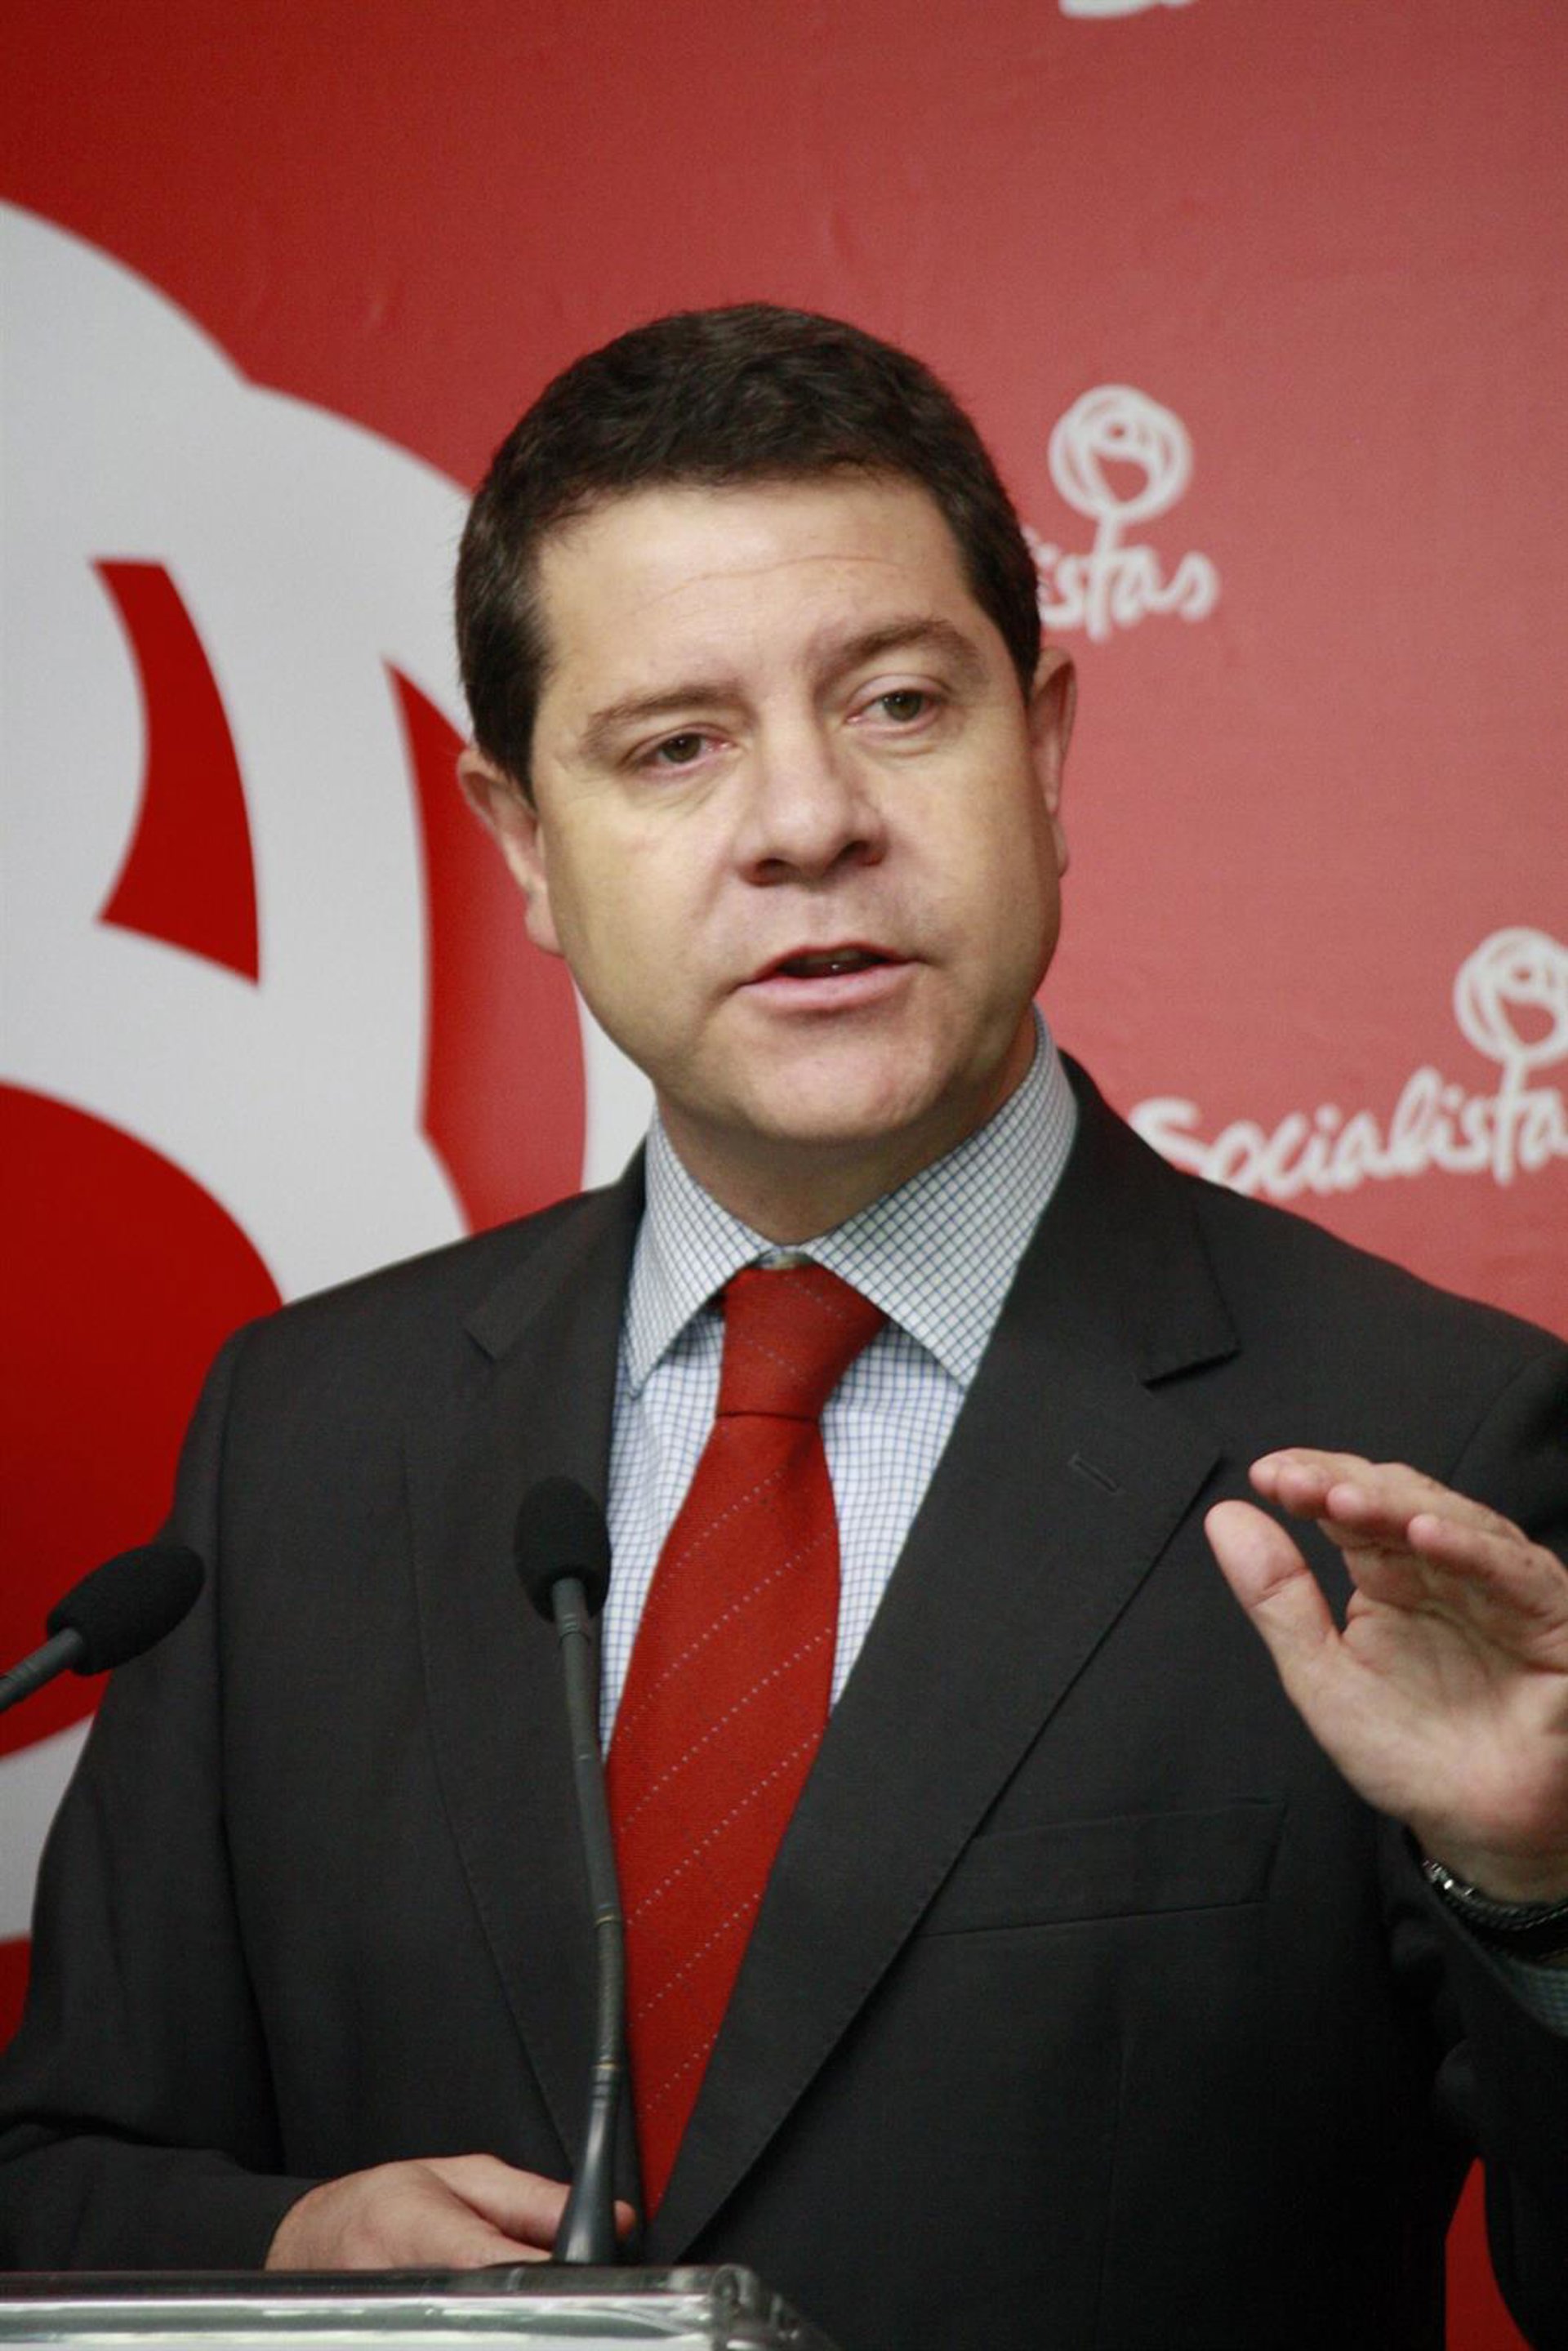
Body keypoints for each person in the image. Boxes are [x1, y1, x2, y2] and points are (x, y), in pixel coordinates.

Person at [2, 307, 1566, 2351]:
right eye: (675, 746)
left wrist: (1542, 1890)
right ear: (522, 842)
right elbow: (60, 2177)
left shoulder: (1428, 1442)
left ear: (1045, 748)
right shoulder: (304, 1438)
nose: (807, 820)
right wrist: (286, 2260)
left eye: (900, 704)